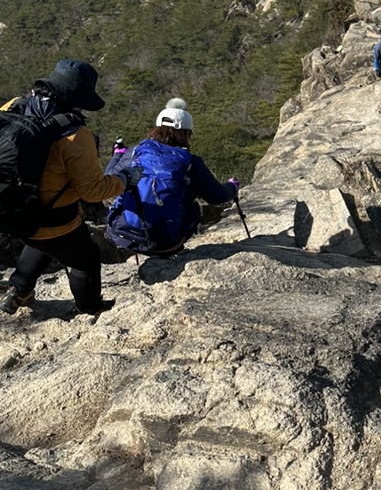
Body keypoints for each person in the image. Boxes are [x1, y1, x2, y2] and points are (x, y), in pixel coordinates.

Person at [0, 59, 130, 318]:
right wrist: (125, 179)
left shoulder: (14, 106)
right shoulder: (74, 135)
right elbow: (92, 191)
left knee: (45, 241)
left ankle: (19, 289)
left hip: (10, 209)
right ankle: (89, 309)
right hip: (53, 219)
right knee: (86, 258)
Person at [105, 102, 239, 256]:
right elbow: (217, 197)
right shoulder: (191, 162)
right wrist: (232, 187)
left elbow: (108, 180)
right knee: (192, 205)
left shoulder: (135, 152)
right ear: (187, 134)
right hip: (166, 243)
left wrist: (118, 154)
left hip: (123, 234)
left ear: (156, 129)